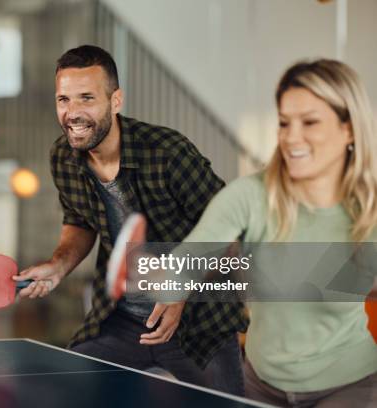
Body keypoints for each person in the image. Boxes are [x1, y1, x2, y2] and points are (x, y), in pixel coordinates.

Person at [13, 45, 248, 395]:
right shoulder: (63, 155)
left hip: (197, 321)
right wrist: (58, 266)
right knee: (71, 394)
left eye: (86, 98)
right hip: (121, 322)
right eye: (64, 100)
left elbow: (231, 229)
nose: (72, 113)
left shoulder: (167, 153)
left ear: (116, 100)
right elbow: (79, 221)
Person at [152, 59, 377, 406]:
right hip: (262, 383)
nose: (292, 137)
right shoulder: (252, 195)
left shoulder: (370, 209)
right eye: (285, 123)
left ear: (349, 128)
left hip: (348, 384)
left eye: (310, 122)